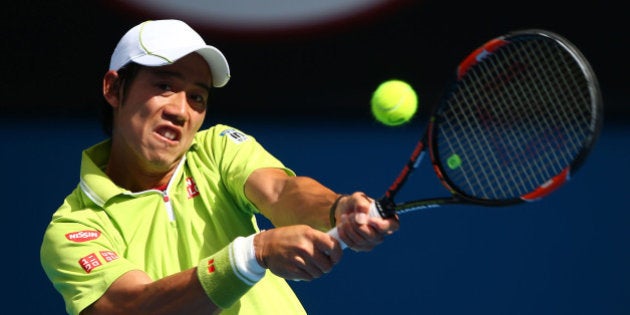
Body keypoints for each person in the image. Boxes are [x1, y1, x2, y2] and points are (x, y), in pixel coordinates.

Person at [40, 19, 399, 315]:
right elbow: (131, 308)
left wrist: (336, 208)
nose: (181, 111)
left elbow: (281, 191)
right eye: (164, 86)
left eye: (197, 97)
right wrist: (251, 254)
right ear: (114, 89)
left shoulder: (217, 148)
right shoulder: (74, 228)